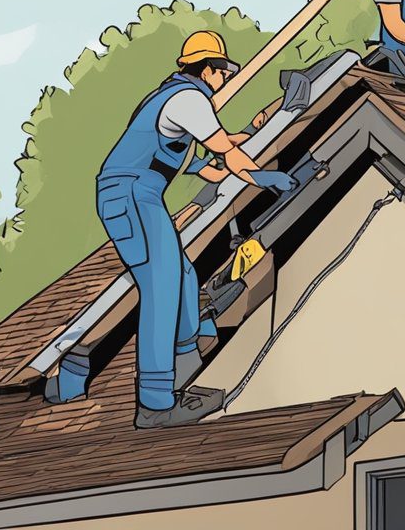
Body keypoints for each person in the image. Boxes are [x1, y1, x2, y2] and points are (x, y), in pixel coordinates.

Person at [45, 31, 297, 428]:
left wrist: (251, 136)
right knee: (161, 286)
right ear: (208, 69)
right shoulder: (189, 100)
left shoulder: (175, 102)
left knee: (181, 275)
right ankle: (156, 403)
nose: (227, 78)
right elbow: (226, 153)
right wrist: (262, 177)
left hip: (140, 193)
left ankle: (180, 361)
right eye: (224, 71)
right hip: (129, 194)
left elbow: (211, 161)